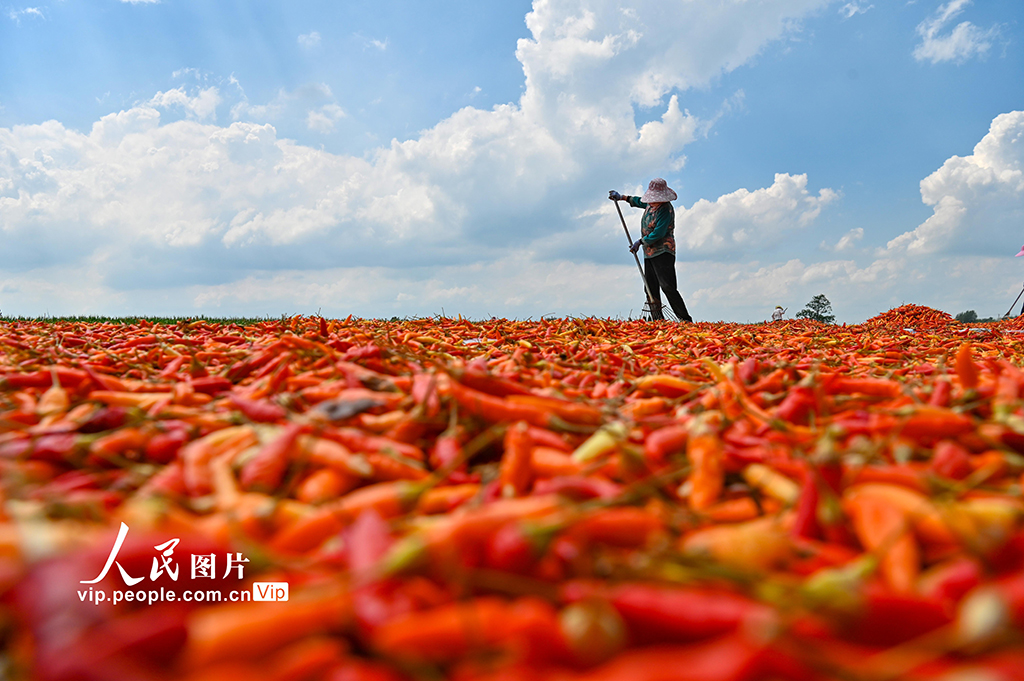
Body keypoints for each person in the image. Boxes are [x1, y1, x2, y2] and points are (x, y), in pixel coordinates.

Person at [609, 178, 693, 322]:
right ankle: (657, 319)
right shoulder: (649, 205)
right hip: (649, 253)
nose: (652, 201)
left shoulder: (666, 210)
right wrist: (622, 197)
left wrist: (640, 242)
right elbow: (637, 201)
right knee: (650, 286)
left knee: (667, 286)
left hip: (664, 252)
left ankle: (685, 319)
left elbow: (659, 233)